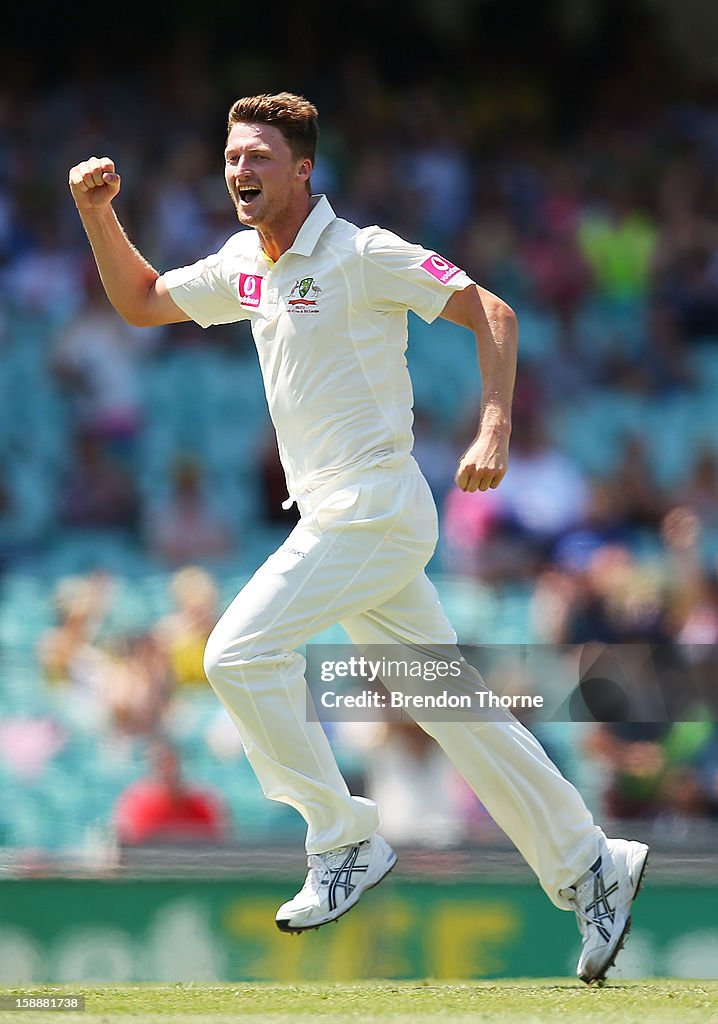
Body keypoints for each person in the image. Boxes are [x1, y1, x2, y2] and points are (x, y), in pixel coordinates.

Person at [69, 91, 648, 984]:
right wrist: (97, 214)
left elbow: (494, 311)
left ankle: (342, 838)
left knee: (234, 654)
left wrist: (492, 428)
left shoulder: (362, 253)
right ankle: (589, 864)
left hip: (375, 503)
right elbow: (142, 302)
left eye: (260, 157)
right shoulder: (244, 266)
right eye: (232, 157)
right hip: (339, 518)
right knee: (460, 712)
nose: (240, 171)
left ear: (304, 169)